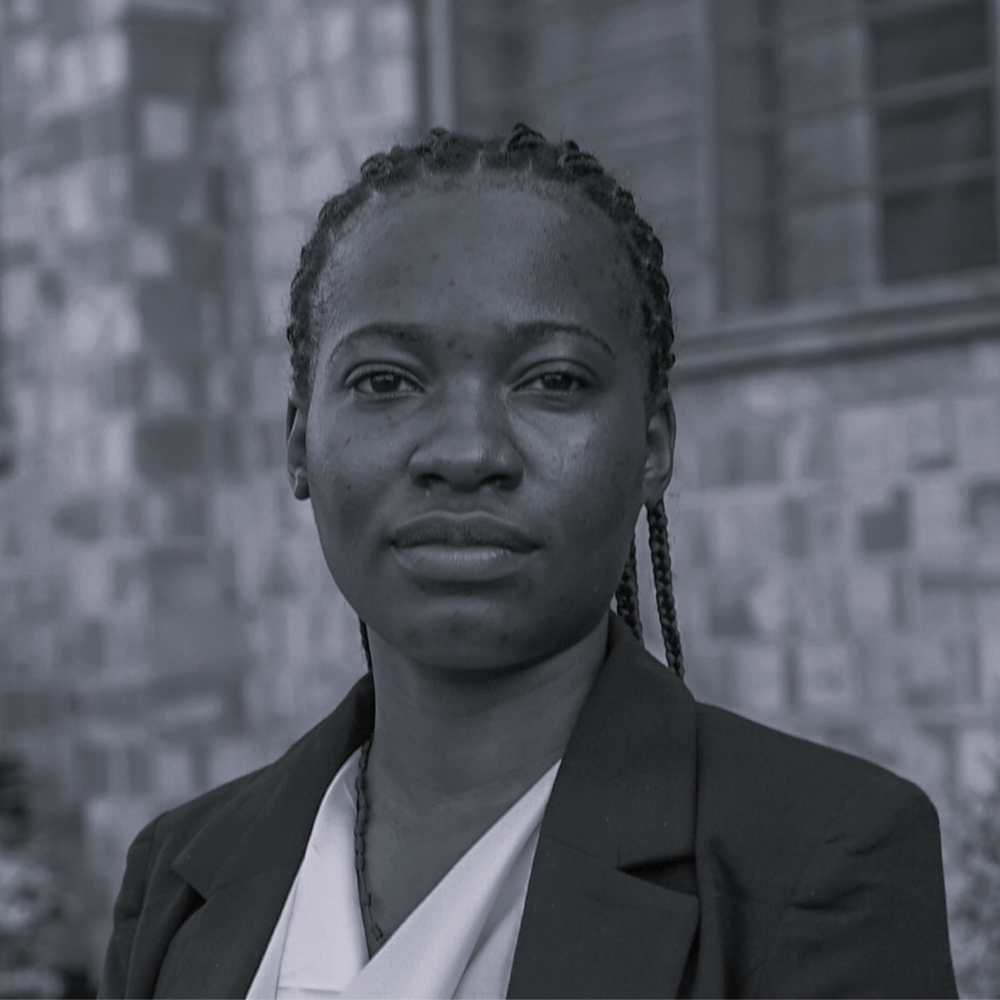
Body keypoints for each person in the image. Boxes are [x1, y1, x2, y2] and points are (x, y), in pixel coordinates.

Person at [98, 124, 959, 1000]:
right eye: (386, 381)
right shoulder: (181, 876)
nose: (466, 452)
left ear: (653, 445)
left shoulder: (819, 863)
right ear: (297, 443)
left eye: (554, 381)